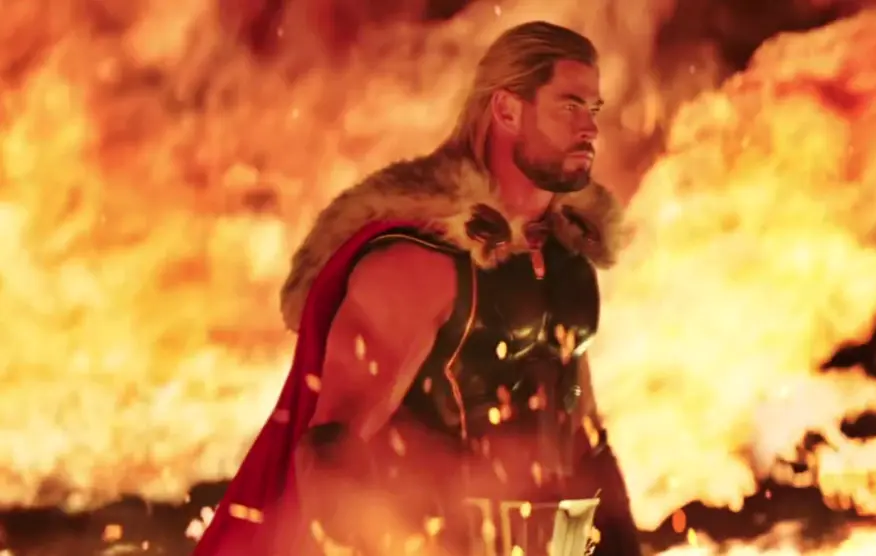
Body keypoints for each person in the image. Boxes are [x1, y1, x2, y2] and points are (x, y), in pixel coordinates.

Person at [193, 20, 641, 556]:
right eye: (569, 106)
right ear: (506, 110)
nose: (590, 128)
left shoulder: (569, 263)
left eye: (593, 109)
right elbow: (332, 450)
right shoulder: (417, 263)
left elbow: (584, 433)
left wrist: (622, 543)